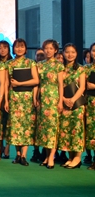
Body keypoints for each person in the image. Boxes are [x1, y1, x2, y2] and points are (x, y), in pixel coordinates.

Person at [6, 38, 39, 166]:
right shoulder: (9, 64)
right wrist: (6, 100)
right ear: (13, 49)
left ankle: (24, 155)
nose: (19, 49)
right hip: (14, 98)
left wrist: (20, 83)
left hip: (27, 99)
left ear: (25, 49)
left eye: (21, 46)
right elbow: (7, 83)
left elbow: (36, 80)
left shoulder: (31, 63)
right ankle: (18, 154)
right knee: (15, 127)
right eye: (17, 46)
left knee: (26, 127)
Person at [34, 39, 64, 169]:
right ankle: (46, 155)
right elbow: (37, 83)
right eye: (46, 48)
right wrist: (35, 98)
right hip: (42, 99)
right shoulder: (39, 65)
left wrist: (60, 101)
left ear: (55, 50)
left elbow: (61, 85)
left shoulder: (59, 65)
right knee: (44, 128)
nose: (48, 51)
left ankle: (52, 156)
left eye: (51, 48)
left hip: (53, 99)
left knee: (52, 127)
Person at [58, 43, 86, 169]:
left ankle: (77, 158)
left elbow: (82, 87)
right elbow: (58, 86)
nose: (70, 55)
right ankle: (70, 157)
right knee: (66, 130)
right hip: (64, 103)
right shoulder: (60, 68)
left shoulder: (80, 69)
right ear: (63, 53)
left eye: (73, 52)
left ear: (77, 54)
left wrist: (73, 100)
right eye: (67, 52)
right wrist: (64, 99)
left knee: (77, 130)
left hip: (77, 104)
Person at [85, 43, 95, 170]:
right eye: (93, 50)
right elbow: (84, 85)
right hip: (90, 103)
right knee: (91, 131)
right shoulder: (86, 68)